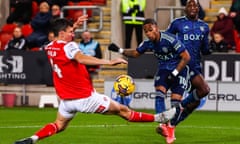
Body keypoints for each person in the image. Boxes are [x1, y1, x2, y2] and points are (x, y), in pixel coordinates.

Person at [13, 16, 176, 144]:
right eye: (71, 32)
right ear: (62, 33)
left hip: (66, 100)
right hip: (85, 98)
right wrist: (109, 62)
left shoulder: (49, 47)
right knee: (123, 111)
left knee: (59, 125)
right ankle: (159, 119)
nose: (73, 34)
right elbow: (81, 58)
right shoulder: (70, 47)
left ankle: (32, 139)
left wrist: (74, 25)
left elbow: (62, 37)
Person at [108, 18, 190, 142]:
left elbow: (186, 57)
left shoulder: (170, 39)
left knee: (175, 104)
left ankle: (171, 129)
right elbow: (136, 53)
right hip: (163, 70)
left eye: (150, 30)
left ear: (156, 28)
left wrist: (175, 72)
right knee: (159, 93)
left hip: (179, 70)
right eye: (146, 31)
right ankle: (162, 125)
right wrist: (119, 50)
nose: (148, 33)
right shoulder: (148, 43)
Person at [158, 0, 211, 143]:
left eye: (196, 5)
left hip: (195, 65)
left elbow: (206, 49)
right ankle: (170, 119)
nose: (193, 7)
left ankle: (171, 125)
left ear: (199, 9)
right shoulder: (177, 23)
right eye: (190, 5)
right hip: (182, 65)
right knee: (204, 89)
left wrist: (209, 47)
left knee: (196, 101)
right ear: (185, 9)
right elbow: (165, 39)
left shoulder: (204, 27)